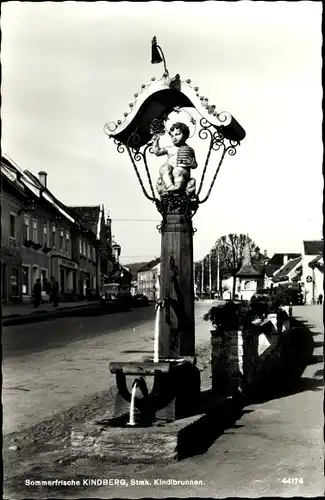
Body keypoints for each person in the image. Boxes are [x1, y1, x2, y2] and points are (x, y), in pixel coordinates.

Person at [152, 122, 198, 195]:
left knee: (178, 170)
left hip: (182, 173)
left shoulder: (189, 149)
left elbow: (195, 165)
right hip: (169, 172)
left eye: (177, 134)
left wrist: (192, 163)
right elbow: (157, 152)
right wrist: (155, 142)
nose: (174, 138)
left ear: (186, 135)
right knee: (165, 168)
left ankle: (178, 187)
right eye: (172, 136)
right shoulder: (169, 149)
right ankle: (170, 186)